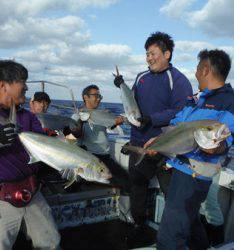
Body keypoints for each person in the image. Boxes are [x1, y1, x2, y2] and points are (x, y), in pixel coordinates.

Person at [144, 49, 234, 250]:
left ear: (205, 69)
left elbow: (224, 142)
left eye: (196, 68)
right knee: (191, 223)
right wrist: (157, 141)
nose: (194, 73)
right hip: (179, 168)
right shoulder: (196, 100)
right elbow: (175, 125)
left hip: (192, 177)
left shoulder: (230, 103)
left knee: (169, 238)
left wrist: (216, 147)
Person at [114, 31, 193, 237]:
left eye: (152, 53)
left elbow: (181, 111)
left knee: (171, 193)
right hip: (139, 143)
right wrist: (121, 86)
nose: (148, 58)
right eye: (147, 54)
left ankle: (172, 232)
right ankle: (138, 225)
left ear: (167, 54)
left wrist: (152, 119)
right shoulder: (141, 77)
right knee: (137, 186)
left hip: (166, 147)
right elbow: (131, 103)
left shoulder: (178, 80)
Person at [0, 60, 60, 249]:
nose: (26, 86)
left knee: (51, 243)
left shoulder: (28, 117)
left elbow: (44, 146)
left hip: (32, 193)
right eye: (22, 81)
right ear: (3, 85)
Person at [64, 84, 129, 191]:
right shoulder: (77, 115)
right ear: (85, 97)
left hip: (104, 157)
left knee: (126, 181)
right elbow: (73, 136)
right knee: (70, 187)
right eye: (96, 96)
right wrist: (81, 121)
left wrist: (117, 122)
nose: (99, 99)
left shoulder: (102, 113)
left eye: (100, 96)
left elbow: (110, 124)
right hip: (87, 157)